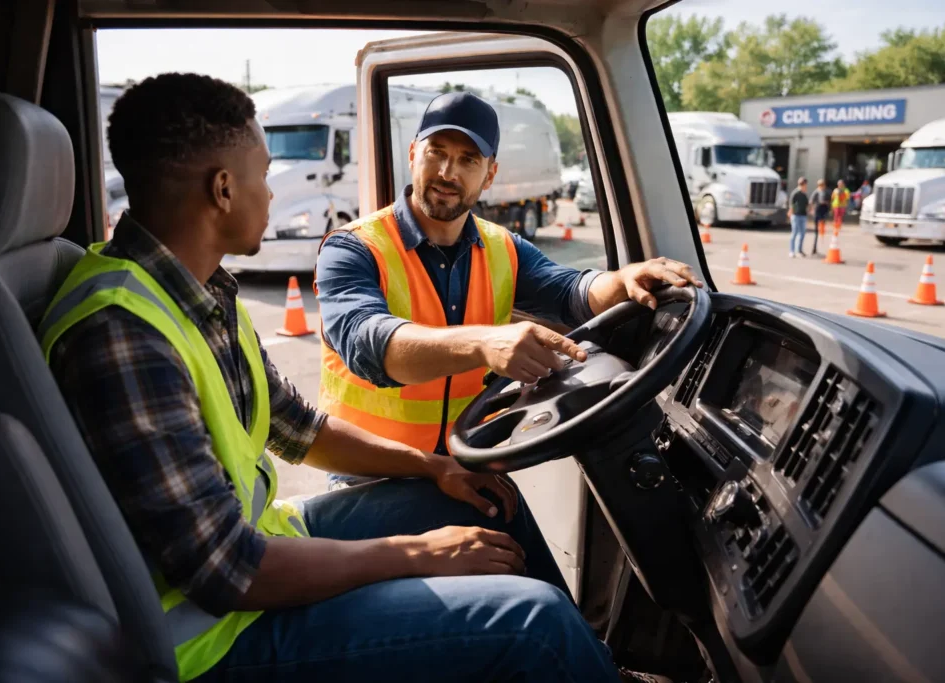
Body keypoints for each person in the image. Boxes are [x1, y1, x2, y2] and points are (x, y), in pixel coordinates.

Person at [41, 73, 620, 683]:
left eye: (468, 160)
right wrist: (418, 554)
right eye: (264, 175)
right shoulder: (124, 331)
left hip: (266, 538)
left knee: (486, 503)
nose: (272, 193)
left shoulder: (198, 293)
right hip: (213, 633)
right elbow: (228, 570)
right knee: (537, 621)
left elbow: (298, 429)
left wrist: (433, 468)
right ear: (223, 189)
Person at [314, 91, 703, 489]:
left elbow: (571, 290)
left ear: (490, 174)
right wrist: (484, 343)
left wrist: (621, 281)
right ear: (413, 153)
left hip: (466, 466)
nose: (448, 172)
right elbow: (368, 345)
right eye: (437, 152)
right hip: (370, 476)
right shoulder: (353, 248)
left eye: (468, 160)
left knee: (519, 550)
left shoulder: (503, 248)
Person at [787, 176, 809, 258]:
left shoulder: (804, 195)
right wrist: (792, 212)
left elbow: (806, 204)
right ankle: (792, 251)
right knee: (794, 233)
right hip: (796, 215)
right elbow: (792, 204)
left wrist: (809, 209)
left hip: (803, 215)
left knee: (802, 233)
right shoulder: (795, 193)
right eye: (804, 185)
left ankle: (799, 250)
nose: (805, 186)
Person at [809, 179, 830, 255]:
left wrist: (826, 203)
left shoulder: (826, 192)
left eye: (823, 185)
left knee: (822, 229)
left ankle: (819, 244)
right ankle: (814, 247)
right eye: (820, 185)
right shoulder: (816, 192)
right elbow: (811, 201)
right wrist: (811, 209)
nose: (822, 187)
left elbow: (829, 201)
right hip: (817, 211)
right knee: (816, 231)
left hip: (823, 211)